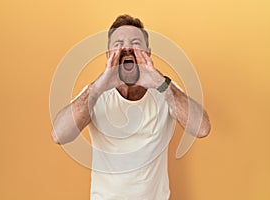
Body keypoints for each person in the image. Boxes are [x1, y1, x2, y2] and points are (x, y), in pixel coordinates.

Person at [51, 14, 211, 200]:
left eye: (135, 43)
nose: (126, 49)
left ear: (148, 53)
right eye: (118, 44)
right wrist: (97, 89)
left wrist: (160, 83)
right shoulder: (94, 93)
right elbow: (59, 135)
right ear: (108, 55)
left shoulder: (166, 89)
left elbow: (202, 128)